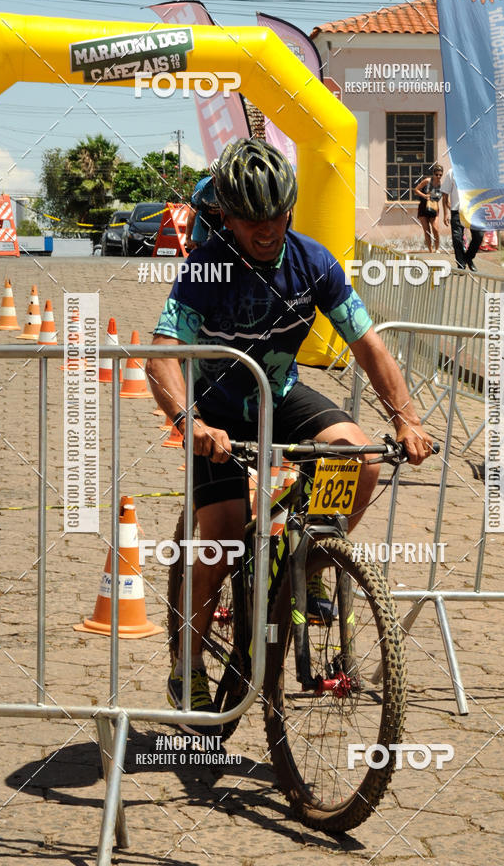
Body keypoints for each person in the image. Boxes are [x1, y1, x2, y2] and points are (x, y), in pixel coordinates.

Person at [147, 138, 435, 733]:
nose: (267, 229)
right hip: (218, 413)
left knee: (358, 456)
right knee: (222, 537)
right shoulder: (206, 268)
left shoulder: (314, 262)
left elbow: (368, 344)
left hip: (277, 396)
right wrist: (189, 423)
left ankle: (309, 559)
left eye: (278, 214)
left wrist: (406, 417)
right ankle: (187, 664)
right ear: (227, 217)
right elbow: (161, 356)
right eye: (252, 218)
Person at [441, 167, 484, 271]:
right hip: (457, 211)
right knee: (457, 238)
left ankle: (468, 258)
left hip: (474, 211)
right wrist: (446, 213)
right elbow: (445, 194)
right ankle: (461, 264)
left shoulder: (477, 170)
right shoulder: (452, 172)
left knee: (479, 235)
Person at [184, 164, 222, 251]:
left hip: (221, 217)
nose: (218, 182)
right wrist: (188, 239)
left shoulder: (229, 186)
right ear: (212, 176)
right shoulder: (202, 186)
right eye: (215, 179)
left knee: (225, 244)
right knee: (198, 246)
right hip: (203, 215)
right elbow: (193, 212)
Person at [414, 164, 444, 252]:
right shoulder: (427, 181)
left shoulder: (441, 185)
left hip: (434, 208)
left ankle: (437, 249)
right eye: (436, 174)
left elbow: (445, 198)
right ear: (433, 174)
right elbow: (416, 190)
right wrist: (424, 195)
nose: (438, 176)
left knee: (435, 229)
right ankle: (430, 250)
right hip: (423, 208)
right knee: (427, 230)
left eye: (440, 175)